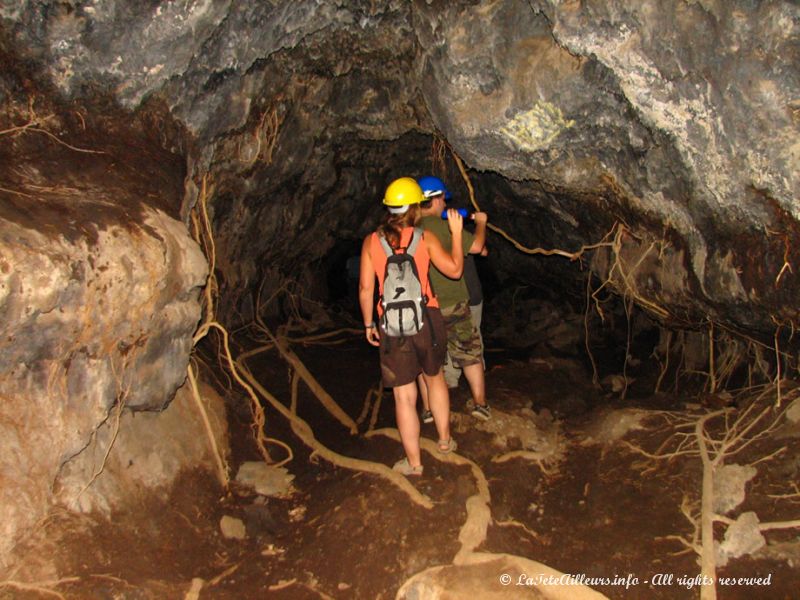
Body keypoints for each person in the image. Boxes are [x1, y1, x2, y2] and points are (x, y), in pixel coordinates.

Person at [358, 177, 466, 476]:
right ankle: (445, 441)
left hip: (392, 327)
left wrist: (369, 323)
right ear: (416, 206)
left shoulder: (371, 241)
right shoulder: (424, 238)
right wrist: (456, 234)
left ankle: (415, 463)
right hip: (427, 320)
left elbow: (367, 289)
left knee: (404, 397)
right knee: (435, 380)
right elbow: (455, 271)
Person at [415, 176, 492, 422]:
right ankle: (480, 404)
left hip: (423, 306)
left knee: (427, 359)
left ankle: (428, 409)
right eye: (442, 199)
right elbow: (479, 247)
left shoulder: (410, 230)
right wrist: (481, 223)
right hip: (452, 301)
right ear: (437, 199)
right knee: (469, 353)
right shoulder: (443, 227)